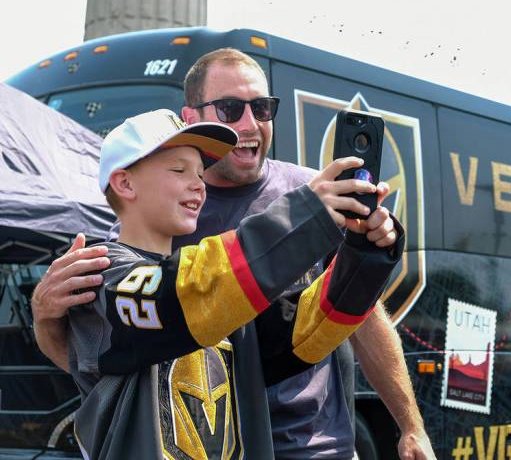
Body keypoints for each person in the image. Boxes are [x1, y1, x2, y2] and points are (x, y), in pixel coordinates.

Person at [32, 48, 436, 459]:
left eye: (198, 170)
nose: (198, 184)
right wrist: (309, 213)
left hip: (315, 444)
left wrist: (363, 254)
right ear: (125, 184)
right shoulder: (103, 271)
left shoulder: (228, 293)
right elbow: (188, 289)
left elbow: (303, 333)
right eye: (179, 171)